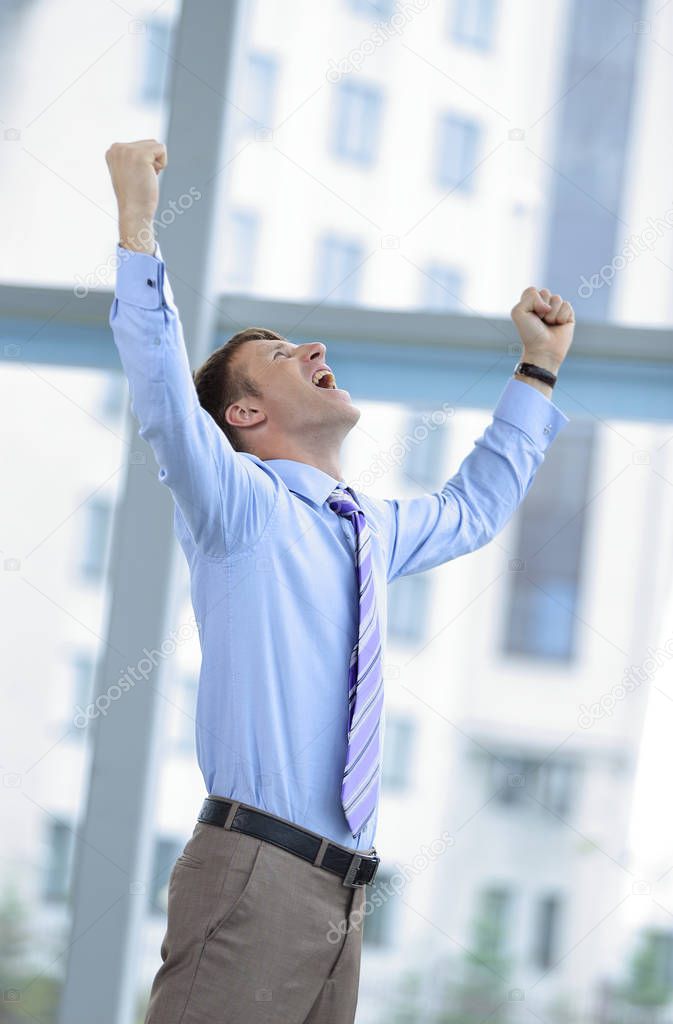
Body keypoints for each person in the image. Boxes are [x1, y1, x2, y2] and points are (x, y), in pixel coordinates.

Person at [105, 139, 574, 1024]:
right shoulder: (239, 507)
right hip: (254, 872)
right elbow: (166, 397)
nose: (313, 346)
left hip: (346, 890)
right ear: (244, 416)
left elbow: (472, 509)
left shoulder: (370, 532)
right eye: (281, 354)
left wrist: (537, 366)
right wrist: (137, 229)